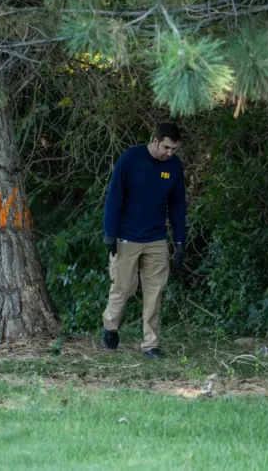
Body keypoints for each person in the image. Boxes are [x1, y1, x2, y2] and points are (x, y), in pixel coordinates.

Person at [100, 122, 187, 358]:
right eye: (167, 147)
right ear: (156, 141)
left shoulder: (174, 166)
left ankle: (151, 345)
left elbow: (178, 205)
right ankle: (110, 326)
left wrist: (180, 240)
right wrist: (109, 232)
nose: (170, 153)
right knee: (124, 287)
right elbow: (114, 195)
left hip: (156, 238)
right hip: (126, 236)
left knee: (155, 291)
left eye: (175, 149)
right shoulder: (131, 159)